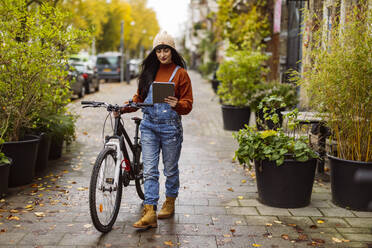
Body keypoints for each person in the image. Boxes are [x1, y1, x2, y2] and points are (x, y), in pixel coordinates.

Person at [119, 31, 193, 229]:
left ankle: (170, 201)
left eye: (166, 50)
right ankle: (150, 210)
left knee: (170, 169)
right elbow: (139, 100)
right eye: (159, 50)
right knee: (150, 170)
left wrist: (178, 103)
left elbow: (188, 105)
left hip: (170, 129)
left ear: (172, 51)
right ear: (155, 52)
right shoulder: (148, 73)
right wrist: (125, 107)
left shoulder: (181, 74)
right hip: (149, 126)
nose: (162, 54)